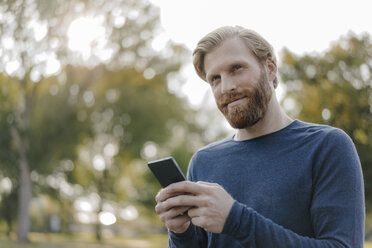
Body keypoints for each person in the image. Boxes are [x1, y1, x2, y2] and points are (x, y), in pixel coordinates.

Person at [154, 26, 365, 247]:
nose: (226, 87)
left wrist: (236, 220)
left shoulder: (327, 146)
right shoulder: (204, 161)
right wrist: (180, 232)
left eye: (236, 68)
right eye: (215, 78)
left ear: (270, 68)